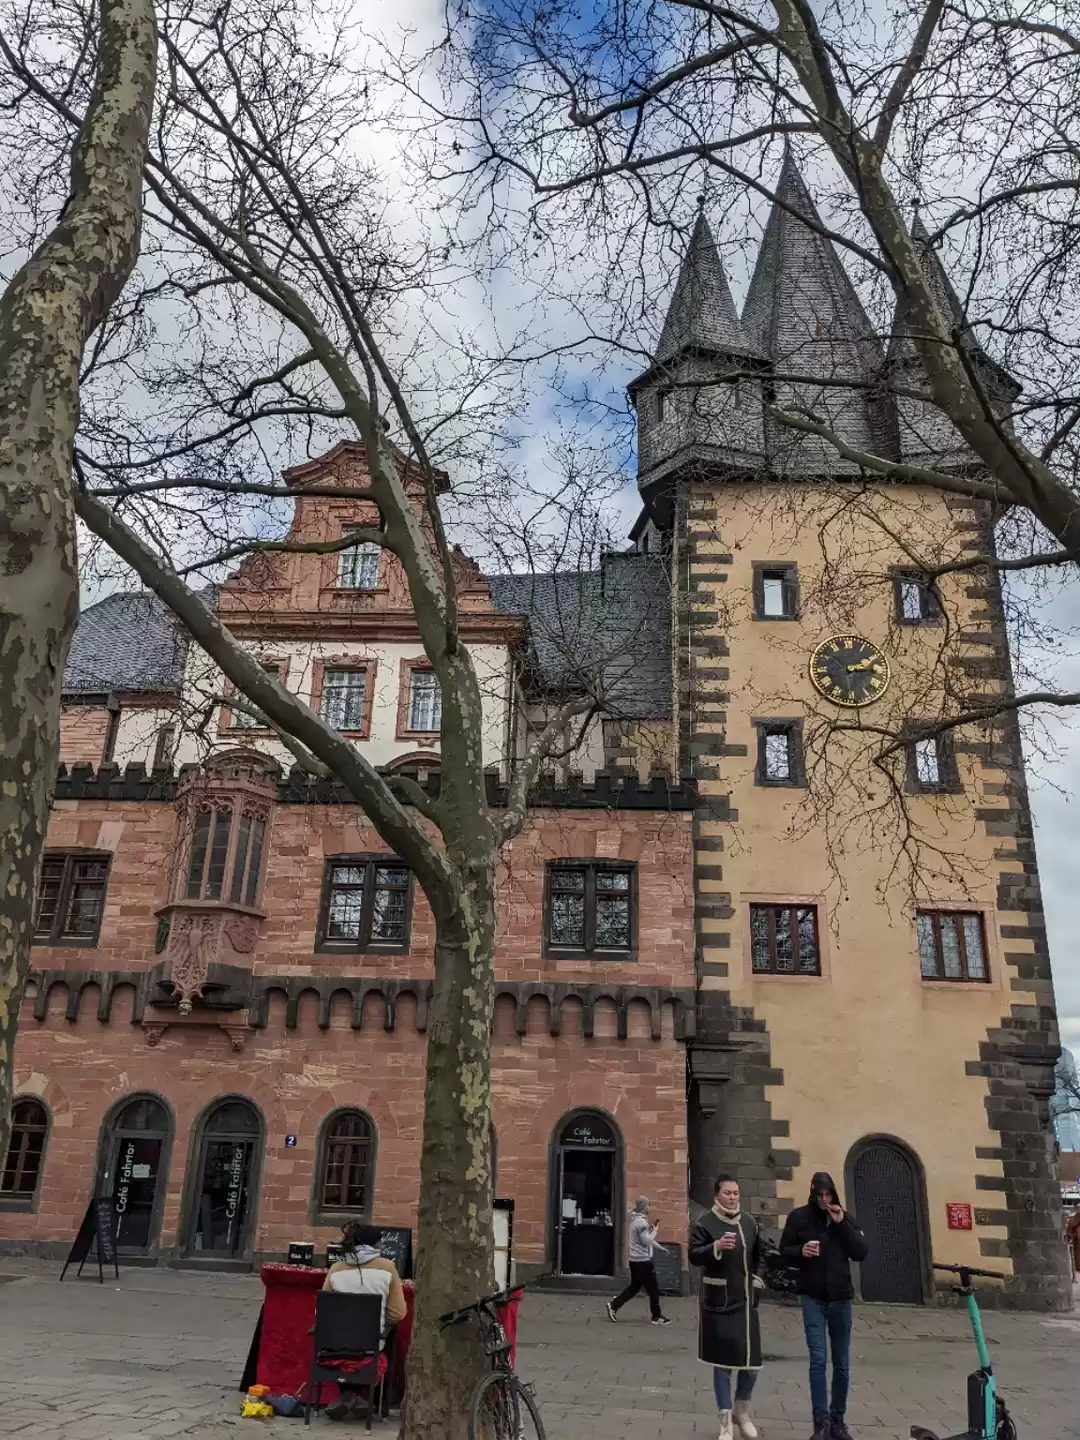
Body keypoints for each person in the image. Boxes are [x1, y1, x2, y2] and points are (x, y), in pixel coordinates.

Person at [779, 1171, 868, 1440]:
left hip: (841, 1298)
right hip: (813, 1296)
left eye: (828, 1194)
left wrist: (841, 1223)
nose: (824, 1199)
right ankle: (821, 1423)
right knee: (818, 1359)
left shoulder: (845, 1218)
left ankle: (838, 1420)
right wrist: (801, 1251)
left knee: (841, 1362)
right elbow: (783, 1252)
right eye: (820, 1194)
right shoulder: (799, 1217)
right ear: (813, 1193)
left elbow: (861, 1252)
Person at [689, 1175, 765, 1440]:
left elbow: (759, 1255)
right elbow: (694, 1254)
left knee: (752, 1364)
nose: (733, 1197)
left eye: (736, 1192)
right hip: (719, 1303)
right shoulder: (704, 1223)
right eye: (728, 1193)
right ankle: (724, 1422)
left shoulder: (749, 1222)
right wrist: (716, 1247)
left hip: (745, 1302)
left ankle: (741, 1412)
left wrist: (758, 1278)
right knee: (722, 1364)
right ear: (716, 1195)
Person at [321, 1222, 407, 1422]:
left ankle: (348, 1395)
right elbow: (398, 1312)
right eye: (380, 1243)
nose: (383, 1246)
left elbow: (322, 1310)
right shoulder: (388, 1268)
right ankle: (367, 1400)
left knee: (349, 1340)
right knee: (387, 1336)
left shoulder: (336, 1269)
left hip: (336, 1344)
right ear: (374, 1245)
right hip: (372, 1342)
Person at [606, 1196, 672, 1325]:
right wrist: (656, 1232)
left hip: (635, 1260)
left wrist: (660, 1247)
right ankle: (656, 1317)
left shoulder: (636, 1221)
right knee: (653, 1289)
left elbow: (645, 1238)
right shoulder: (641, 1222)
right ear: (643, 1207)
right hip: (643, 1262)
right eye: (648, 1205)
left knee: (634, 1288)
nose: (649, 1207)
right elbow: (646, 1240)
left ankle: (614, 1305)